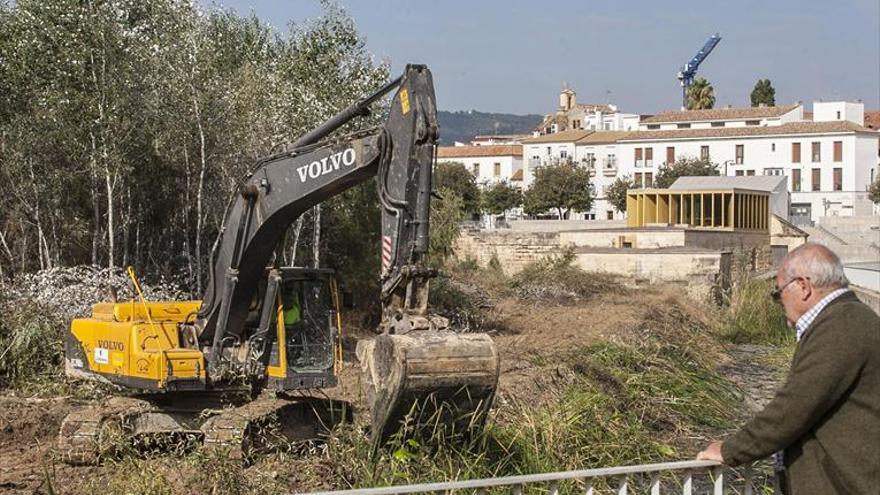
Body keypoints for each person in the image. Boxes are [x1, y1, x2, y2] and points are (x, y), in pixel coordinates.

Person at [697, 243, 879, 494]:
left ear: (803, 287)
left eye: (778, 293)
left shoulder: (840, 327)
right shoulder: (853, 318)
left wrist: (730, 449)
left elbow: (795, 405)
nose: (780, 304)